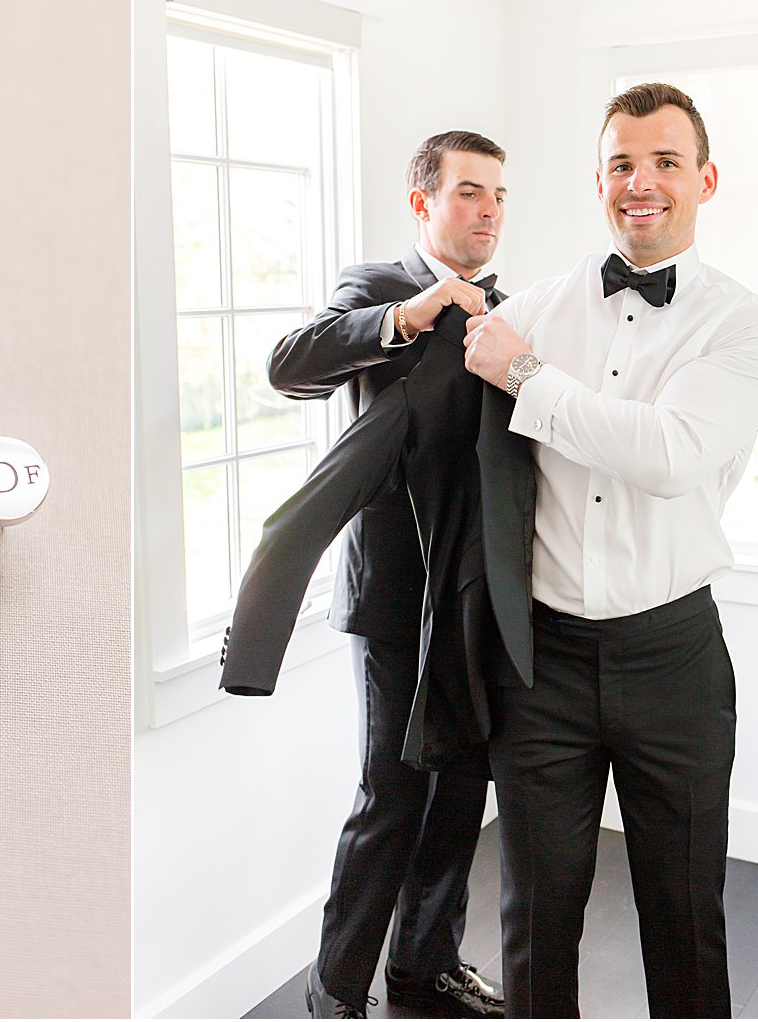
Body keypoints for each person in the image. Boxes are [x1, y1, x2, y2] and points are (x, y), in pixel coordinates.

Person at [462, 83, 758, 1018]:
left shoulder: (748, 325)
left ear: (706, 178)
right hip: (544, 665)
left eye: (665, 162)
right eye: (620, 163)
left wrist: (524, 374)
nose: (640, 182)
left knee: (684, 917)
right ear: (597, 180)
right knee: (534, 919)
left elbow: (668, 454)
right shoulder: (530, 306)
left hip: (673, 656)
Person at [264, 131, 510, 1019]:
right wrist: (408, 316)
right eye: (471, 192)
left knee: (461, 787)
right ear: (424, 202)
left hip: (477, 593)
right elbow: (289, 365)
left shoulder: (508, 309)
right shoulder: (375, 287)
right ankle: (335, 991)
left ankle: (423, 965)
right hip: (396, 598)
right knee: (394, 790)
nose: (489, 210)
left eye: (499, 196)